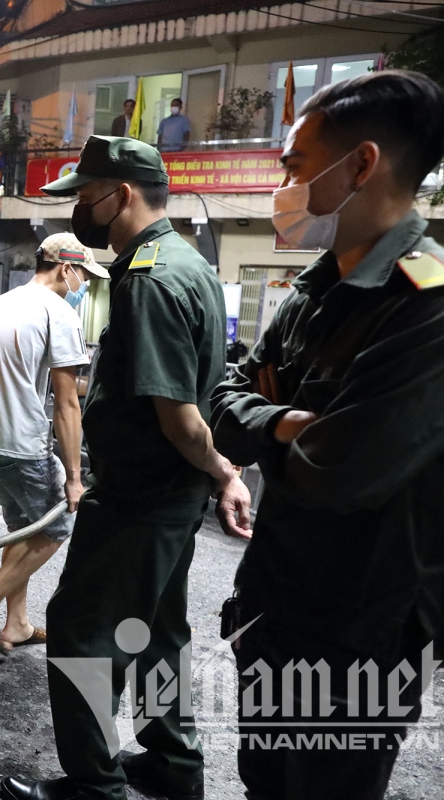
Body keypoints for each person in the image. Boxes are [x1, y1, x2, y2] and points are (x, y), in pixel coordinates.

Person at [210, 70, 444, 800]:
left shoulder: (425, 308)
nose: (283, 185)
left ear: (362, 164)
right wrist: (283, 421)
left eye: (295, 165)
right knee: (264, 784)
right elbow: (221, 399)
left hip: (358, 643)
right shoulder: (313, 290)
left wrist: (271, 433)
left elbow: (334, 472)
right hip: (272, 607)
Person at [0, 135, 252, 800]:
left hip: (141, 498)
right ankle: (173, 766)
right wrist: (216, 477)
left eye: (86, 196)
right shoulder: (188, 262)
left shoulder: (148, 281)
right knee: (159, 634)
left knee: (83, 633)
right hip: (169, 498)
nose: (80, 209)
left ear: (123, 195)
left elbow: (181, 419)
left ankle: (95, 785)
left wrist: (224, 470)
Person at [0, 233, 108, 655]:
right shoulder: (57, 312)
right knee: (53, 528)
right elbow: (67, 404)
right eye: (84, 276)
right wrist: (74, 477)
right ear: (65, 269)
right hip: (21, 442)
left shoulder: (1, 303)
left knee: (22, 529)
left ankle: (17, 623)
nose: (84, 286)